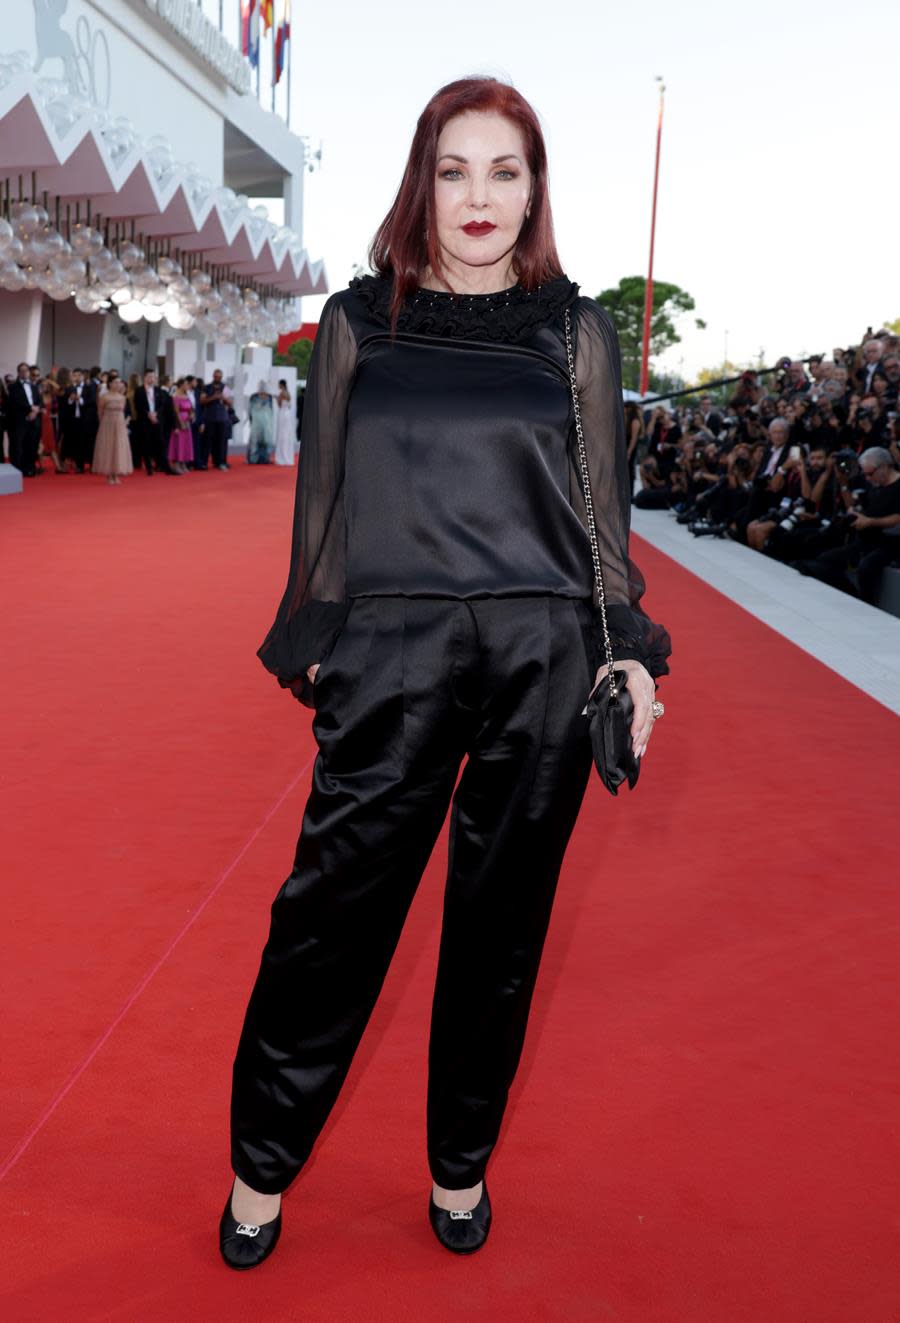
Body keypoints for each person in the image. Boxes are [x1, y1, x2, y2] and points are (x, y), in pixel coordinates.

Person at [219, 77, 672, 1272]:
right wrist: (325, 645)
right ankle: (261, 1167)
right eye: (457, 169)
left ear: (535, 189)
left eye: (506, 171)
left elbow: (603, 524)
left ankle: (457, 1163)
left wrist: (626, 657)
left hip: (543, 655)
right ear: (424, 179)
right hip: (397, 656)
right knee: (327, 921)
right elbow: (320, 511)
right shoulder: (358, 323)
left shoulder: (575, 330)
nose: (480, 197)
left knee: (500, 929)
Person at [92, 379, 133, 485]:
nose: (118, 384)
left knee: (118, 447)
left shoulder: (122, 397)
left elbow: (123, 411)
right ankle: (109, 475)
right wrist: (103, 424)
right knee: (108, 447)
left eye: (119, 382)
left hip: (119, 424)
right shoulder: (104, 397)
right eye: (115, 382)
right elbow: (99, 412)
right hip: (107, 424)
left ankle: (116, 474)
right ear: (109, 384)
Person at [6, 361, 42, 477]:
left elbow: (39, 400)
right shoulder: (13, 387)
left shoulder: (34, 386)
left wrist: (35, 411)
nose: (24, 373)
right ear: (18, 373)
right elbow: (15, 402)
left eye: (26, 370)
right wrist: (30, 409)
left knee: (31, 445)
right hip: (19, 421)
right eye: (22, 371)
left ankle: (29, 469)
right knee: (17, 446)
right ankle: (16, 470)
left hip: (33, 420)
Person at [200, 369, 231, 471]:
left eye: (219, 377)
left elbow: (230, 403)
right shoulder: (206, 387)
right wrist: (213, 397)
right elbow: (202, 401)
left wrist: (223, 398)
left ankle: (220, 462)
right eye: (216, 376)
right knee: (207, 441)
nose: (218, 378)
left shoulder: (225, 387)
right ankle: (204, 463)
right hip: (209, 417)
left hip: (222, 418)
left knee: (221, 441)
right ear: (213, 376)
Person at [168, 378, 195, 474]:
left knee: (186, 443)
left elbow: (191, 408)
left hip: (187, 421)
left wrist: (192, 414)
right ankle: (177, 464)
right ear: (181, 385)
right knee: (179, 443)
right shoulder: (175, 396)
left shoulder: (186, 395)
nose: (188, 386)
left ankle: (183, 462)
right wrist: (180, 423)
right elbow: (176, 411)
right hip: (179, 422)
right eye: (186, 384)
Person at [247, 381, 274, 463]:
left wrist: (270, 422)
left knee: (267, 440)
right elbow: (250, 409)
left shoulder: (269, 397)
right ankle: (253, 459)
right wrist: (251, 420)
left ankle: (265, 459)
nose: (263, 388)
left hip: (266, 422)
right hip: (256, 422)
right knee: (254, 441)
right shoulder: (254, 397)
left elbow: (271, 410)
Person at [274, 379, 295, 465]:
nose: (278, 386)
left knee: (282, 434)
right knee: (286, 434)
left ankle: (282, 457)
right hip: (288, 414)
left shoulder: (282, 393)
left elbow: (279, 405)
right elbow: (289, 404)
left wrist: (276, 398)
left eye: (279, 384)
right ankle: (287, 457)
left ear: (281, 385)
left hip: (282, 414)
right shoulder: (288, 393)